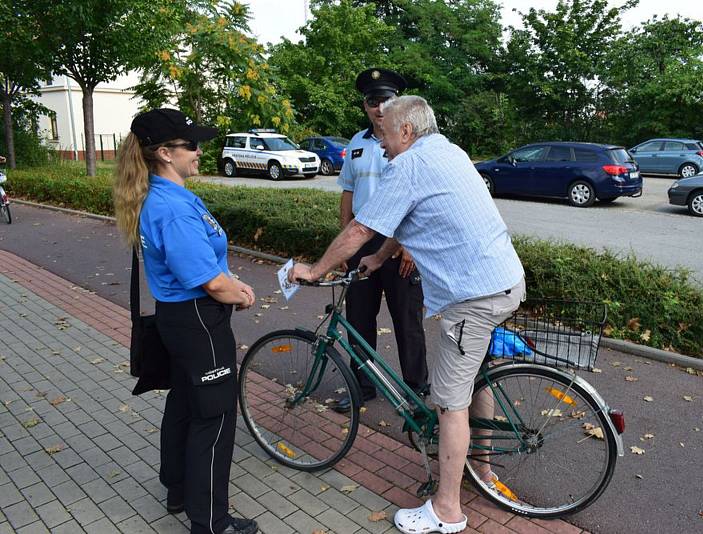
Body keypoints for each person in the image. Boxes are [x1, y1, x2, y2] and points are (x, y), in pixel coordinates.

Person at [289, 95, 525, 534]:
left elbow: (360, 226)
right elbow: (406, 219)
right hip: (504, 280)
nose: (379, 143)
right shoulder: (448, 150)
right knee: (476, 377)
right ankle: (483, 470)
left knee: (449, 402)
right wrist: (379, 259)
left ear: (406, 132)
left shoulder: (410, 164)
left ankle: (447, 511)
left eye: (384, 134)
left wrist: (315, 268)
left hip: (473, 296)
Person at [112, 108, 259, 534]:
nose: (200, 151)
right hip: (199, 321)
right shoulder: (170, 208)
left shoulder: (167, 196)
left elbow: (205, 262)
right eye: (191, 145)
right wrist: (240, 292)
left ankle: (177, 488)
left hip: (181, 318)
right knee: (213, 418)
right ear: (164, 153)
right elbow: (209, 282)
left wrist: (228, 279)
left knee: (183, 404)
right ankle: (211, 522)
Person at [332, 67, 428, 412]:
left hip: (400, 242)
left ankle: (417, 390)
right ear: (365, 106)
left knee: (407, 320)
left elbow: (419, 198)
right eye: (373, 101)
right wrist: (346, 240)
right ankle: (362, 386)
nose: (379, 107)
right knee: (359, 318)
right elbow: (348, 193)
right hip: (362, 243)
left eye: (386, 99)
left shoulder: (410, 142)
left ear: (397, 103)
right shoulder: (356, 144)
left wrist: (409, 245)